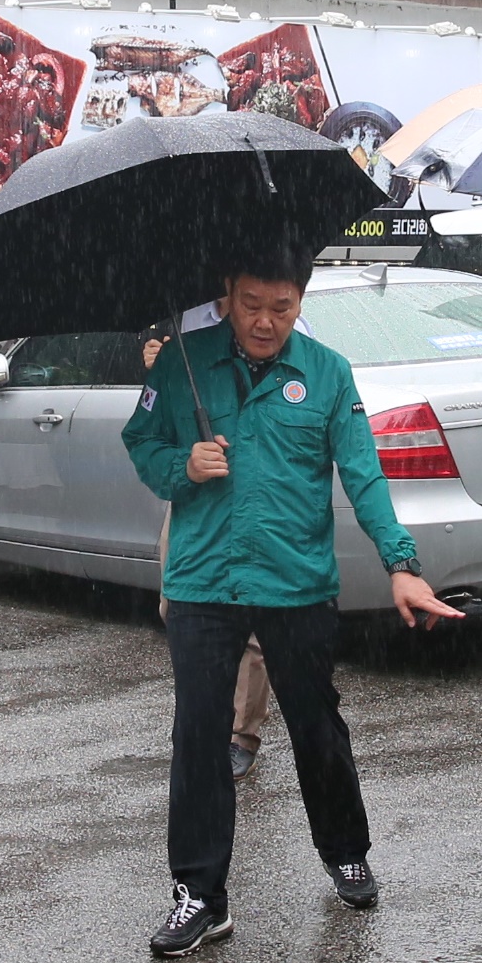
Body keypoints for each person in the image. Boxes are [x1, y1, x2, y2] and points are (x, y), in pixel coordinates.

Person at [122, 241, 462, 958]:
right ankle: (200, 894)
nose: (265, 322)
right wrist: (182, 466)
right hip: (204, 580)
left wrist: (402, 562)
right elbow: (140, 441)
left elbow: (363, 474)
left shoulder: (329, 374)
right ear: (227, 293)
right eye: (251, 306)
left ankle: (345, 850)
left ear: (301, 302)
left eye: (282, 307)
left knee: (315, 722)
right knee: (198, 737)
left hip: (295, 581)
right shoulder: (184, 364)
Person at [145, 321, 269, 780]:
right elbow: (155, 433)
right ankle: (205, 718)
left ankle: (241, 733)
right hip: (193, 504)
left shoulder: (270, 326)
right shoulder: (176, 326)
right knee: (177, 606)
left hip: (252, 502)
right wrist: (159, 374)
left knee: (250, 619)